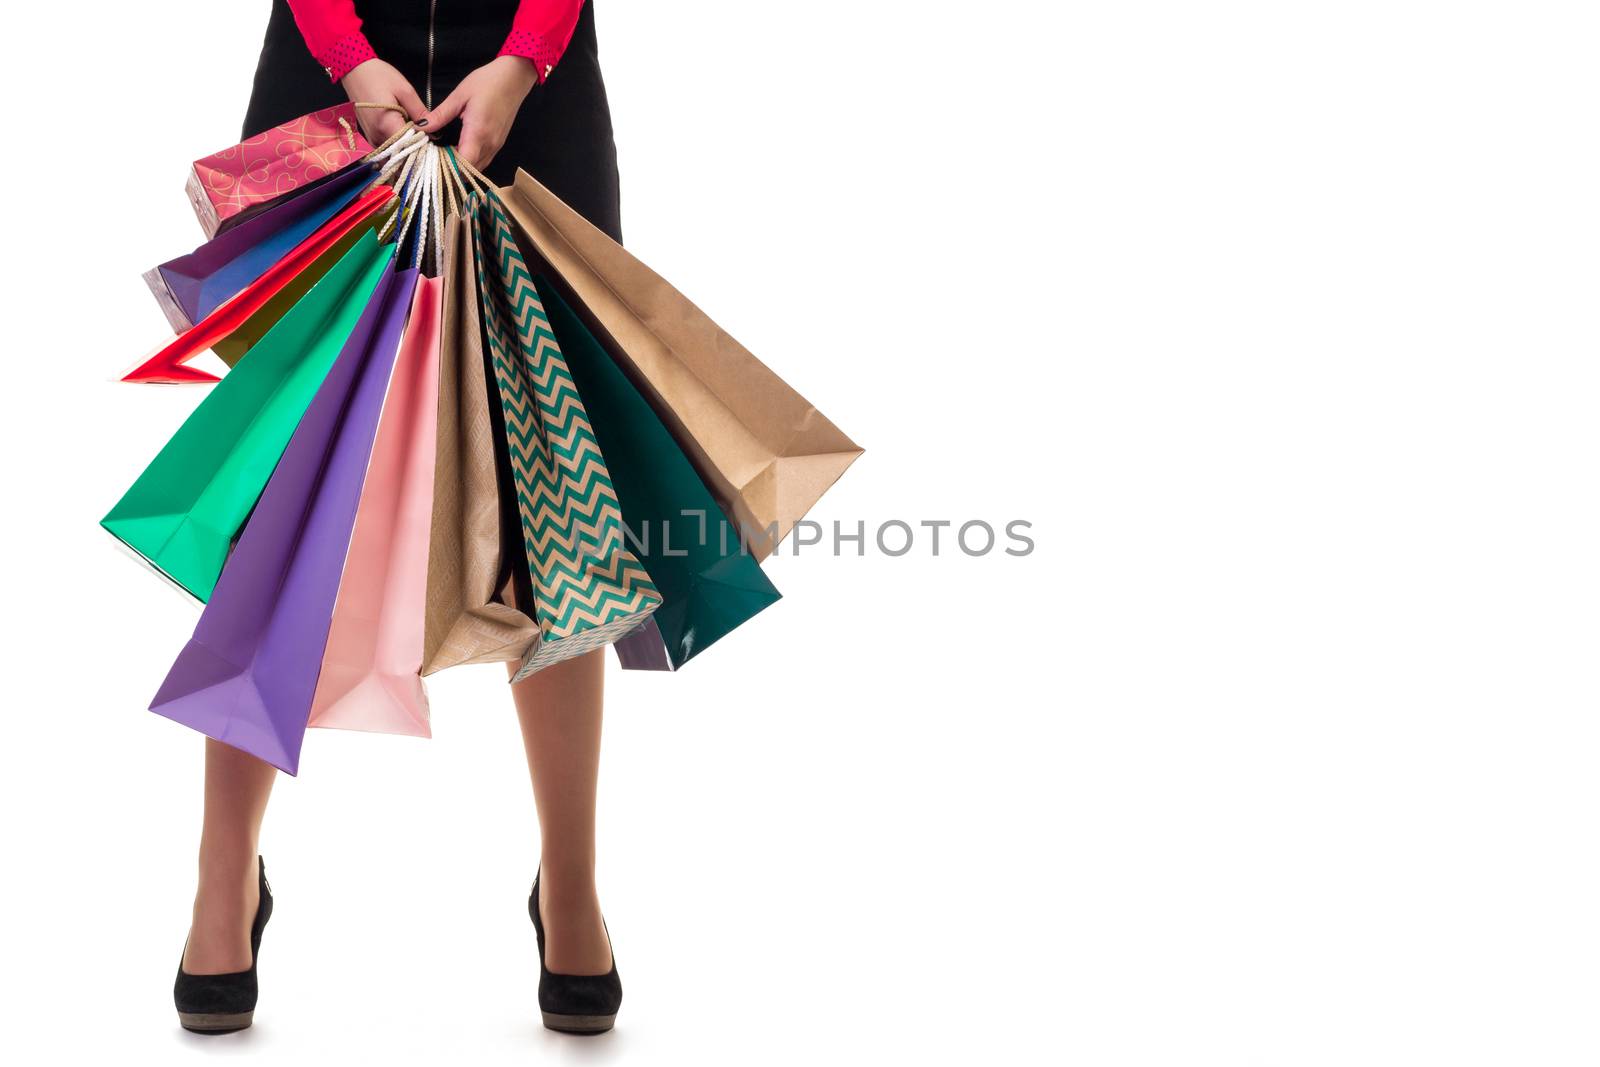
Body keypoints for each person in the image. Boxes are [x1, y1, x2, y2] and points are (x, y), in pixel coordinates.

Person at [172, 0, 625, 1037]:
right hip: (328, 82)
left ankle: (571, 885)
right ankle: (220, 880)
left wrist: (525, 56)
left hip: (535, 88)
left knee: (552, 504)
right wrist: (348, 57)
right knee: (280, 495)